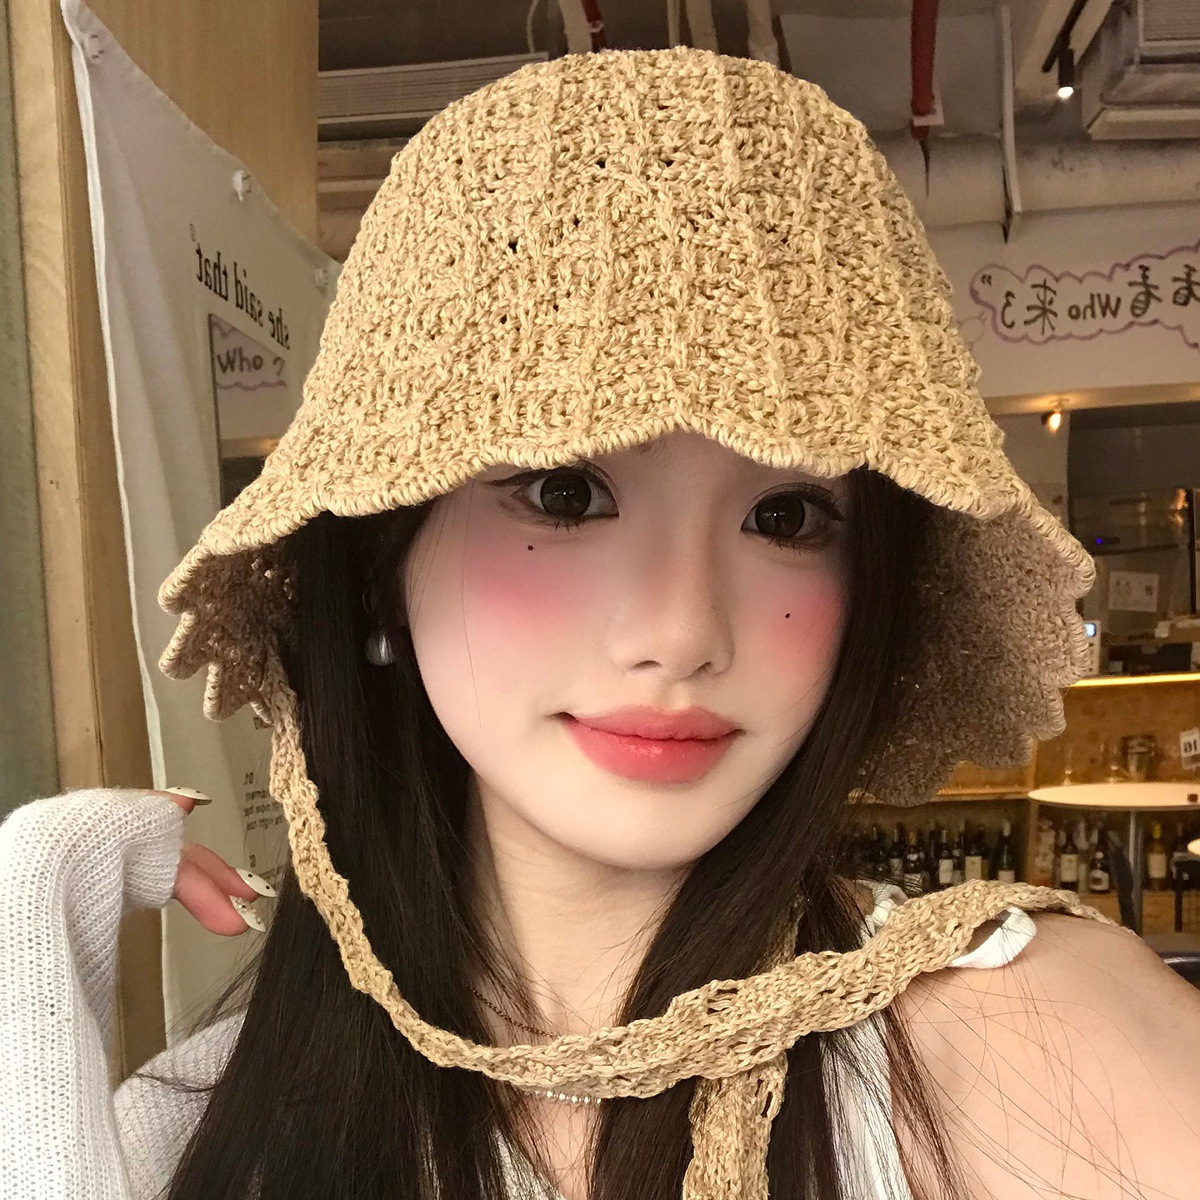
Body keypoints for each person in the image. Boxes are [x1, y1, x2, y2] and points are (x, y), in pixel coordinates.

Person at [3, 45, 1200, 1200]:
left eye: (785, 516)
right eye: (565, 494)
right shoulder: (187, 1135)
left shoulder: (1055, 1050)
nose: (679, 633)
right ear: (379, 565)